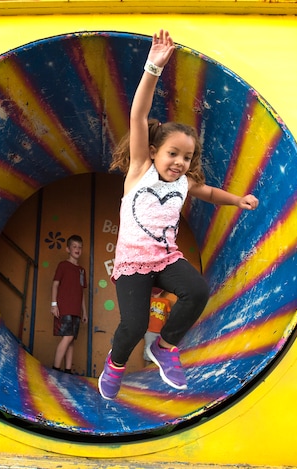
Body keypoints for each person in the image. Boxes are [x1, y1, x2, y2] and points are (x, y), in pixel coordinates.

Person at [98, 29, 259, 400]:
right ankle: (116, 364)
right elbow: (138, 115)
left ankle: (165, 347)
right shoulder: (140, 169)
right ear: (154, 151)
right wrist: (153, 67)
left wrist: (237, 200)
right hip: (133, 261)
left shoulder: (184, 182)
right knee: (134, 324)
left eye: (186, 157)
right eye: (173, 153)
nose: (179, 162)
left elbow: (209, 192)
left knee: (198, 290)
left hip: (166, 258)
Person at [51, 234, 88, 374]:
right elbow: (55, 285)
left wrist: (84, 311)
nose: (77, 249)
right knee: (68, 337)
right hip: (64, 308)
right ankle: (55, 368)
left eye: (79, 247)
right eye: (74, 246)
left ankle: (67, 370)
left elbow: (81, 292)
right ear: (68, 249)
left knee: (72, 339)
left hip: (76, 310)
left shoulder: (82, 270)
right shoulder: (63, 265)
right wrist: (54, 304)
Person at [143, 288, 171, 364]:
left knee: (160, 351)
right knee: (148, 350)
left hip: (161, 331)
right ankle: (146, 370)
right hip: (150, 330)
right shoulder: (149, 300)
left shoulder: (166, 301)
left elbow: (168, 315)